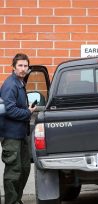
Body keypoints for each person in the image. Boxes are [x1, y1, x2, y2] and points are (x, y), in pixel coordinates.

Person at [0, 53, 36, 204]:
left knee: (25, 169)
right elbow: (10, 110)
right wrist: (28, 112)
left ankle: (17, 199)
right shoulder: (11, 85)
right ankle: (11, 201)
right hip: (11, 136)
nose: (23, 69)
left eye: (25, 66)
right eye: (20, 66)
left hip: (21, 135)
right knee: (13, 172)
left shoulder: (20, 83)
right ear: (13, 67)